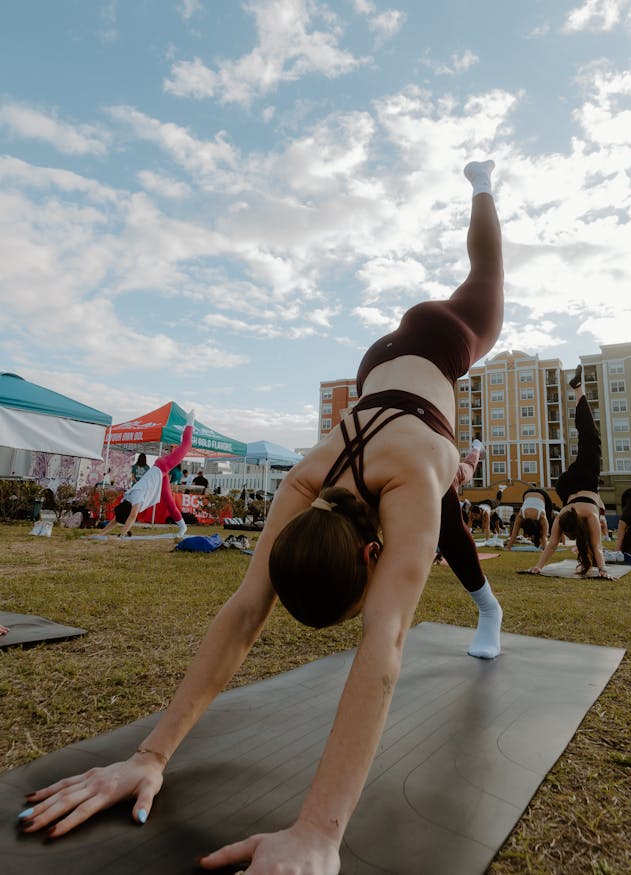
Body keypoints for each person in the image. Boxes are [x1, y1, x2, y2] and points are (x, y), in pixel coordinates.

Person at [19, 160, 504, 873]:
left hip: (437, 339)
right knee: (450, 507)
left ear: (371, 558)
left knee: (487, 272)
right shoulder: (331, 477)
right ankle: (487, 599)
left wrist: (319, 829)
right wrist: (144, 756)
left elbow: (383, 642)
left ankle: (483, 184)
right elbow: (249, 611)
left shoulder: (342, 476)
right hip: (382, 374)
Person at [528, 367, 614, 578]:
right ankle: (578, 392)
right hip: (565, 486)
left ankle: (578, 390)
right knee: (587, 437)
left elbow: (597, 547)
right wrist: (538, 566)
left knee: (589, 437)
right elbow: (552, 544)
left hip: (585, 480)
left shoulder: (590, 516)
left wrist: (603, 568)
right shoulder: (565, 515)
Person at [99, 411, 195, 539]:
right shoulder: (125, 501)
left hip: (163, 466)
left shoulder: (135, 497)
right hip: (160, 474)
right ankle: (183, 526)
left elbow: (132, 517)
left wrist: (122, 535)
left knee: (187, 444)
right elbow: (117, 519)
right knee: (169, 500)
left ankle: (190, 421)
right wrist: (100, 534)